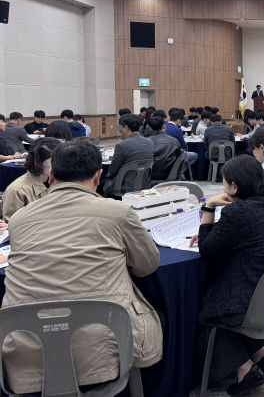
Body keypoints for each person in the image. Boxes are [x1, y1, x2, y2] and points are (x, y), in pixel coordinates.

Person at [2, 140, 162, 394]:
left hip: (24, 359)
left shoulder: (20, 219)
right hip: (104, 356)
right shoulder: (119, 212)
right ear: (98, 177)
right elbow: (147, 266)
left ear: (51, 176)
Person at [187, 155, 264, 394]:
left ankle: (243, 368)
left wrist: (209, 206)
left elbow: (206, 249)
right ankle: (260, 353)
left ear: (234, 187)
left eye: (225, 183)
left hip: (263, 303)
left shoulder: (237, 213)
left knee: (208, 310)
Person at [2, 137, 61, 221]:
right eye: (54, 161)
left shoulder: (59, 182)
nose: (60, 165)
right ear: (39, 161)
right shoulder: (17, 190)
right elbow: (11, 225)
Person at [103, 114, 154, 196]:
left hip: (125, 186)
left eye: (120, 127)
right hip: (144, 184)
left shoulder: (122, 145)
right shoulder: (150, 142)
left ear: (126, 127)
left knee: (101, 181)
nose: (119, 131)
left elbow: (112, 171)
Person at [147, 116, 184, 181]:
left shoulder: (146, 142)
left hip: (150, 174)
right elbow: (180, 157)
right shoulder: (174, 141)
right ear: (164, 126)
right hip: (170, 173)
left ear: (150, 128)